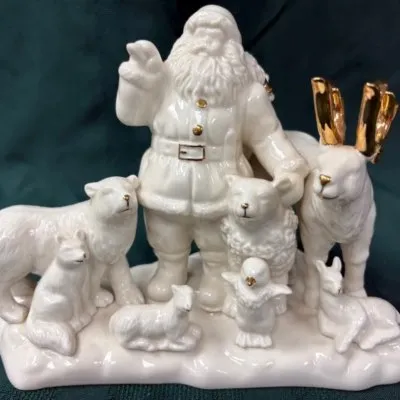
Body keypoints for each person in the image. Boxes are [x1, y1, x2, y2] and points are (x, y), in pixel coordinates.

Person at [115, 5, 309, 312]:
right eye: (198, 33)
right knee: (166, 233)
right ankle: (170, 268)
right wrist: (136, 80)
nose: (205, 41)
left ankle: (216, 275)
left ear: (232, 46)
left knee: (216, 239)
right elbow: (130, 115)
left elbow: (267, 136)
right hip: (166, 177)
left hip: (221, 181)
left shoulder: (247, 94)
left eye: (215, 35)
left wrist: (288, 168)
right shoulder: (162, 79)